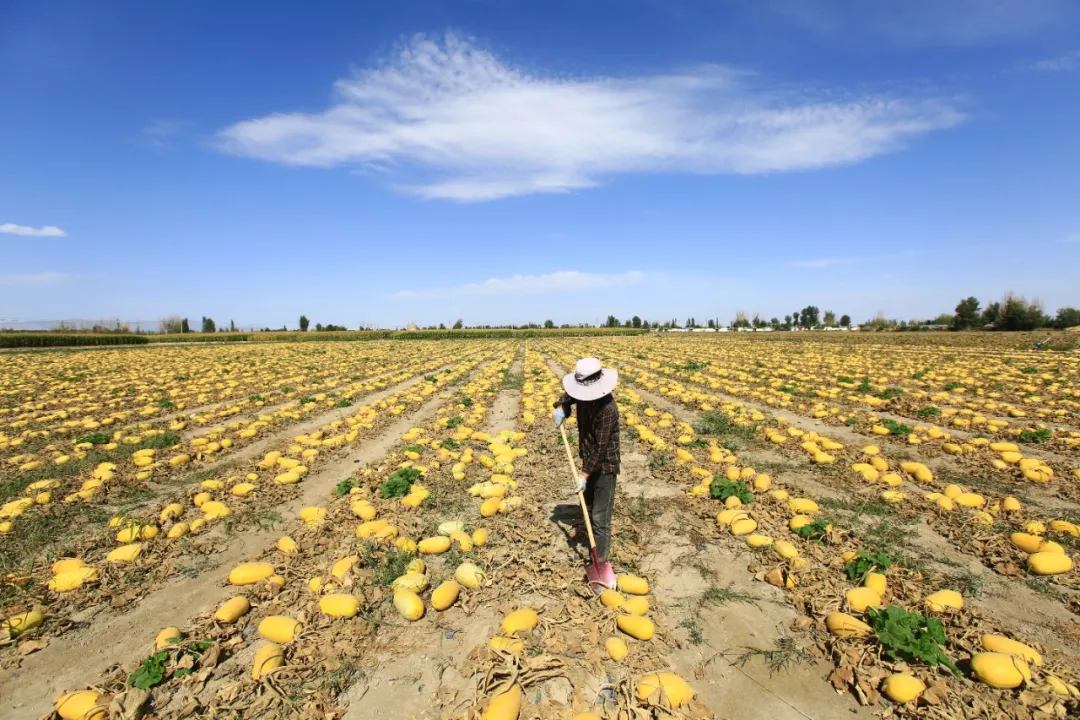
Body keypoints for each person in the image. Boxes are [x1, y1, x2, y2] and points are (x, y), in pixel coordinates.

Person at [553, 357, 620, 565]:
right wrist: (562, 409)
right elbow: (569, 396)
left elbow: (601, 449)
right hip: (588, 456)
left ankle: (600, 560)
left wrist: (584, 475)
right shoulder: (581, 393)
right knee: (589, 507)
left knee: (600, 517)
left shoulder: (608, 410)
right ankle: (592, 543)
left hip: (605, 464)